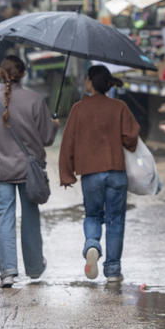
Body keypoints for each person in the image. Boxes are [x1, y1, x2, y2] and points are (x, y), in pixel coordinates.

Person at [0, 55, 58, 288]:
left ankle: (8, 271)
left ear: (0, 73)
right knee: (30, 215)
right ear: (23, 74)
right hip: (29, 169)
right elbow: (46, 138)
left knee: (4, 216)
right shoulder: (35, 100)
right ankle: (34, 267)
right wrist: (54, 126)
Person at [58, 65, 140, 283]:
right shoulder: (119, 107)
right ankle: (113, 270)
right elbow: (131, 137)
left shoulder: (78, 109)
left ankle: (92, 244)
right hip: (116, 172)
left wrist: (66, 173)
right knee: (116, 220)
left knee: (93, 215)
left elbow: (68, 143)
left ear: (90, 82)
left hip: (91, 173)